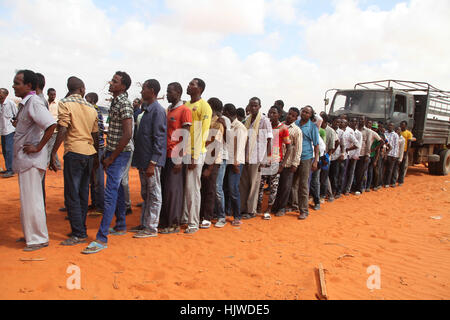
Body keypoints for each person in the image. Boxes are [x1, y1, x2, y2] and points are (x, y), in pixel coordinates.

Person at [82, 71, 134, 254]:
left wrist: (112, 157)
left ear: (123, 86)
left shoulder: (125, 104)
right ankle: (120, 225)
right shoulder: (116, 102)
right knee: (117, 188)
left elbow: (128, 134)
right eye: (112, 80)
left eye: (115, 81)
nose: (111, 83)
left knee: (110, 192)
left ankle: (101, 238)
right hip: (114, 151)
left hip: (121, 154)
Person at [49, 77, 99, 246]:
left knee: (72, 194)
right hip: (89, 153)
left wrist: (53, 152)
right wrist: (97, 157)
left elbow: (62, 128)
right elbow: (95, 135)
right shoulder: (91, 108)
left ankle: (78, 233)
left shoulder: (64, 103)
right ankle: (80, 228)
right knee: (83, 193)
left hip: (74, 152)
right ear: (82, 89)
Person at [12, 69, 57, 251]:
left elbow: (51, 124)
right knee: (28, 200)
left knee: (33, 200)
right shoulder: (27, 103)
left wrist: (38, 147)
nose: (14, 86)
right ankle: (31, 235)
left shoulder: (34, 102)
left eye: (17, 83)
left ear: (28, 86)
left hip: (31, 159)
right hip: (26, 160)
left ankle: (38, 238)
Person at [131, 79, 167, 238]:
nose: (141, 92)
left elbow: (159, 139)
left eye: (143, 89)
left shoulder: (158, 111)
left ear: (152, 91)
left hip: (152, 162)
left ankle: (151, 228)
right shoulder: (146, 110)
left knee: (154, 194)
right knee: (146, 193)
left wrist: (153, 162)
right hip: (143, 160)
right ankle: (144, 223)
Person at [157, 82, 192, 234]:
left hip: (176, 157)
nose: (167, 95)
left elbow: (185, 135)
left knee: (174, 191)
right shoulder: (169, 110)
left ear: (178, 92)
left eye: (169, 92)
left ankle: (174, 224)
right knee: (165, 189)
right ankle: (165, 222)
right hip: (165, 155)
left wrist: (178, 159)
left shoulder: (184, 110)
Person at [182, 78, 212, 234]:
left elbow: (203, 132)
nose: (188, 85)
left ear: (199, 88)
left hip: (196, 153)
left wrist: (194, 155)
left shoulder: (204, 107)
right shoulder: (186, 105)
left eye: (192, 84)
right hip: (183, 151)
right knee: (185, 187)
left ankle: (193, 223)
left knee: (193, 188)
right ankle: (185, 218)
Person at [240, 97, 273, 220]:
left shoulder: (264, 121)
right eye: (251, 105)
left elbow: (269, 140)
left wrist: (266, 159)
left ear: (259, 107)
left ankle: (251, 210)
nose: (253, 108)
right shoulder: (247, 120)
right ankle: (242, 208)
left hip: (258, 157)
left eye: (255, 106)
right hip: (246, 156)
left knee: (254, 185)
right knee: (243, 184)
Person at [257, 105, 291, 219]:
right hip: (264, 161)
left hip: (275, 161)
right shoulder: (266, 127)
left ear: (279, 115)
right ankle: (258, 207)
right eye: (269, 113)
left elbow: (289, 147)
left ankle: (268, 209)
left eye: (274, 113)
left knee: (273, 186)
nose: (271, 115)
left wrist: (282, 164)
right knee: (260, 185)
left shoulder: (283, 129)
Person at [199, 98, 225, 229]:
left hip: (213, 161)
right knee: (202, 188)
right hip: (203, 157)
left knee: (210, 189)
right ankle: (201, 214)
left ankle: (208, 217)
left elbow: (217, 145)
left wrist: (210, 167)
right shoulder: (207, 120)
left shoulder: (218, 124)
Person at [271, 107, 302, 217]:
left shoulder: (297, 130)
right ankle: (275, 206)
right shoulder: (280, 126)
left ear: (296, 118)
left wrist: (295, 163)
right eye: (289, 114)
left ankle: (282, 207)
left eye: (293, 116)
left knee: (286, 186)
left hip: (288, 162)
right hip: (277, 159)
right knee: (276, 185)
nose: (290, 116)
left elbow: (298, 148)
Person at [222, 103, 247, 226]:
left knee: (233, 188)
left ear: (226, 112)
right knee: (227, 187)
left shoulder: (239, 127)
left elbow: (240, 146)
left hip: (236, 162)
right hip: (228, 160)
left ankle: (237, 216)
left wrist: (236, 163)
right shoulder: (229, 126)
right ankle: (227, 211)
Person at [295, 106, 320, 220]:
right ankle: (294, 205)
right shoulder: (295, 123)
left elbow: (316, 144)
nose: (304, 113)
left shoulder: (312, 127)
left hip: (306, 157)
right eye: (303, 111)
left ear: (310, 115)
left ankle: (304, 210)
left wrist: (316, 160)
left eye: (307, 112)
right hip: (294, 157)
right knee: (293, 183)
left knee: (303, 185)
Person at [85, 92, 105, 216]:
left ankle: (100, 205)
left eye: (87, 99)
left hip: (97, 148)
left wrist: (96, 153)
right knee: (92, 178)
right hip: (93, 147)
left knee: (97, 178)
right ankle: (94, 203)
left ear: (92, 100)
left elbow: (96, 133)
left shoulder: (94, 111)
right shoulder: (92, 110)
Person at [212, 98, 231, 228]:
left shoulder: (224, 120)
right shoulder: (210, 118)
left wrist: (224, 126)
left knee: (218, 187)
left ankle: (221, 216)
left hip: (221, 157)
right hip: (209, 156)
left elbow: (228, 140)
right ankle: (213, 212)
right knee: (211, 187)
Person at [354, 116, 382, 195]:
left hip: (363, 154)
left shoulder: (368, 131)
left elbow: (371, 143)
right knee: (354, 172)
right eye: (359, 119)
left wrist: (369, 153)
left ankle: (359, 188)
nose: (360, 121)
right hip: (354, 154)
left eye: (362, 119)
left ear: (365, 121)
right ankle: (354, 187)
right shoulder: (355, 129)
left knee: (361, 173)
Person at [0, 88, 18, 178]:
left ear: (6, 95)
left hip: (10, 130)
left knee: (9, 150)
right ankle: (8, 168)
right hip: (2, 131)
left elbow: (16, 115)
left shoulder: (10, 103)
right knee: (4, 151)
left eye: (1, 94)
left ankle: (11, 170)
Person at [341, 117, 360, 196]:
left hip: (348, 155)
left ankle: (346, 189)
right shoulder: (339, 131)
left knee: (348, 173)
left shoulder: (351, 132)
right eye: (351, 121)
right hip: (337, 156)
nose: (353, 123)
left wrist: (350, 152)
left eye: (354, 121)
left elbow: (358, 144)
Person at [46, 88, 61, 170]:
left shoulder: (58, 104)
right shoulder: (44, 103)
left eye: (54, 94)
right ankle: (56, 164)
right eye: (51, 94)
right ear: (48, 94)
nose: (53, 96)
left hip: (54, 129)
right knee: (51, 147)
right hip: (45, 128)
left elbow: (60, 116)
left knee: (50, 146)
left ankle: (47, 163)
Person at [398, 121, 415, 186]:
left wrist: (406, 153)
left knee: (402, 166)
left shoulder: (408, 133)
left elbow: (409, 144)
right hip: (398, 151)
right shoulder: (399, 132)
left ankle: (401, 181)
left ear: (405, 126)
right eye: (401, 125)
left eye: (403, 125)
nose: (401, 126)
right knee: (396, 167)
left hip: (404, 151)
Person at [329, 117, 342, 197]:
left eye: (339, 123)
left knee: (335, 175)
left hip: (336, 156)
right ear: (333, 121)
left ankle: (335, 191)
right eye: (336, 122)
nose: (337, 124)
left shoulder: (341, 132)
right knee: (328, 175)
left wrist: (343, 154)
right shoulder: (329, 130)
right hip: (328, 156)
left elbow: (341, 144)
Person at [383, 122, 399, 188]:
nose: (390, 126)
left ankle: (387, 183)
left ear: (393, 127)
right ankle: (383, 181)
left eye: (391, 125)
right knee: (384, 169)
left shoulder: (395, 135)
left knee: (389, 169)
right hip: (384, 154)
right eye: (389, 125)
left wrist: (394, 156)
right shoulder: (385, 133)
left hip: (391, 155)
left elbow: (396, 146)